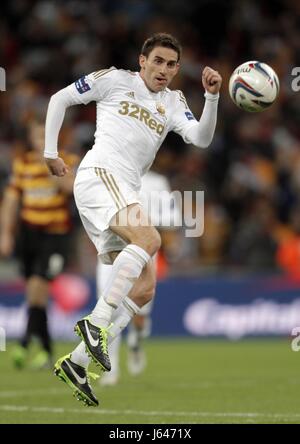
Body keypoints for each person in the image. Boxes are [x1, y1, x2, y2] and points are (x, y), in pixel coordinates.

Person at [44, 32, 222, 407]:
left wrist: (211, 97)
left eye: (171, 64)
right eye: (157, 61)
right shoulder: (114, 80)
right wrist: (50, 152)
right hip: (98, 175)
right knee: (150, 240)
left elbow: (202, 138)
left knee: (145, 288)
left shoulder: (173, 102)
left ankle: (77, 362)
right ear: (142, 61)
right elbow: (60, 98)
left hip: (126, 190)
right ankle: (95, 324)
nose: (164, 69)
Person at [0, 120, 78, 370]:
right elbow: (11, 200)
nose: (41, 140)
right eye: (37, 136)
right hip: (29, 235)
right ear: (31, 138)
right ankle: (46, 349)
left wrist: (52, 170)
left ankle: (23, 343)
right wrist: (6, 234)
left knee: (38, 287)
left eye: (46, 135)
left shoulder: (67, 159)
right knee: (35, 294)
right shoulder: (22, 163)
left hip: (56, 235)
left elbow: (73, 188)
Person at [98, 169, 181, 386]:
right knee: (108, 307)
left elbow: (170, 219)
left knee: (140, 312)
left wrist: (169, 246)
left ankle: (136, 340)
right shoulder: (107, 172)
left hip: (143, 251)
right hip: (112, 250)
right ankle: (111, 368)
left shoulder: (157, 181)